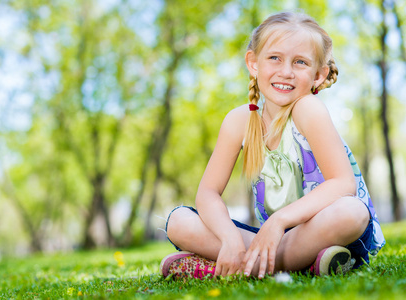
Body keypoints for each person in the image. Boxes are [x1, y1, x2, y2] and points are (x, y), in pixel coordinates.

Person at [159, 11, 385, 280]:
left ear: (318, 75)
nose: (286, 72)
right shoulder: (239, 121)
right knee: (179, 221)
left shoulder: (308, 109)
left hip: (328, 230)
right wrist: (229, 238)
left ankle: (241, 268)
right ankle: (297, 264)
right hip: (276, 240)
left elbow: (343, 184)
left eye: (300, 62)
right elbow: (207, 193)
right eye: (274, 58)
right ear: (253, 63)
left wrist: (279, 221)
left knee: (351, 212)